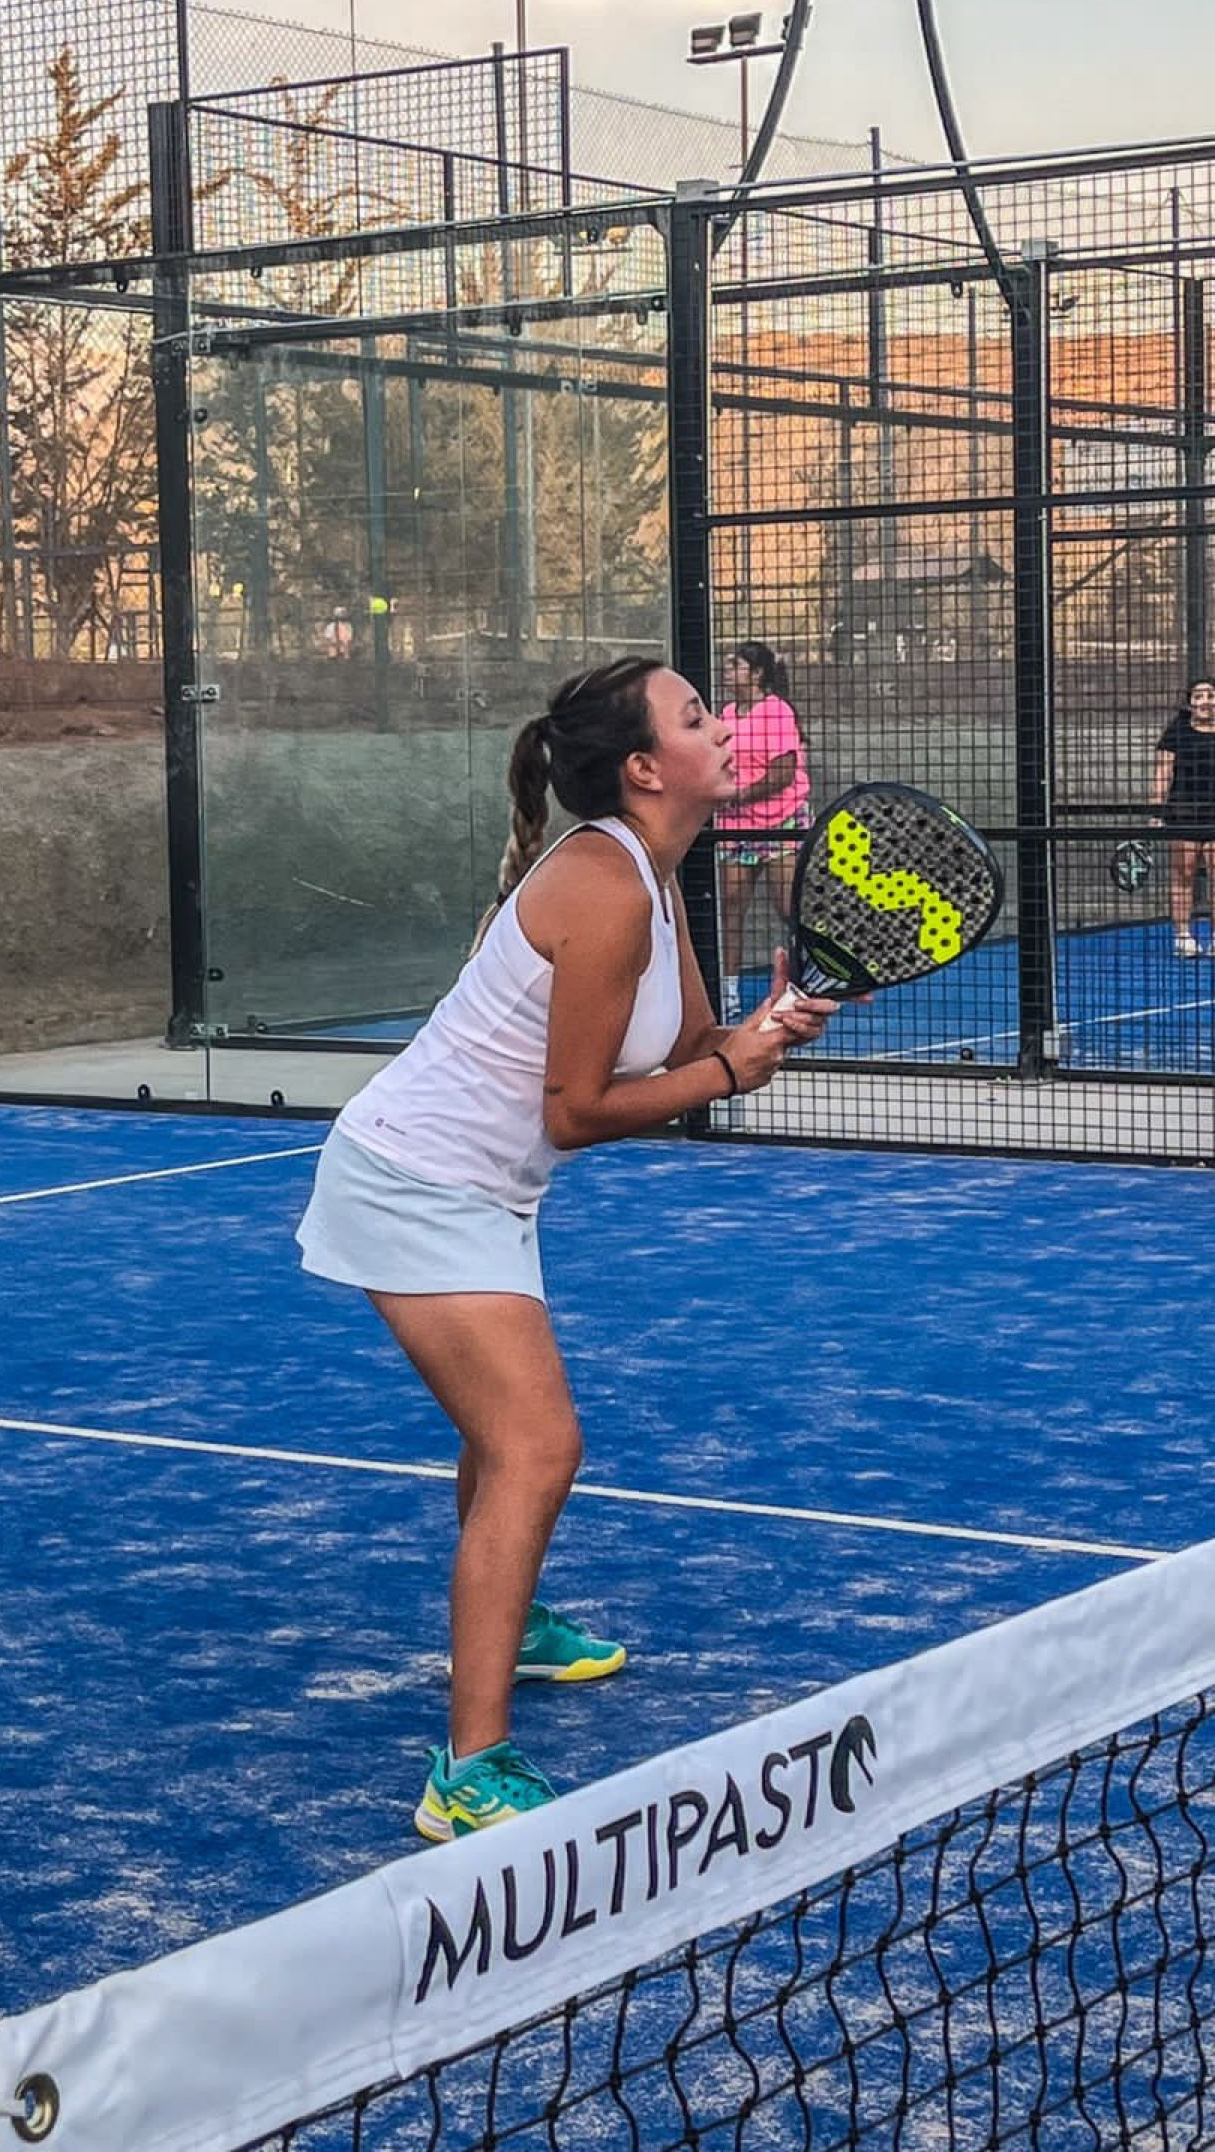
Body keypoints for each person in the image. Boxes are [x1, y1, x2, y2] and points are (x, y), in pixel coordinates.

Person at [294, 656, 835, 1840]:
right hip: (416, 1182)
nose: (722, 728)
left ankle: (512, 1625)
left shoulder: (653, 871)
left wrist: (763, 1032)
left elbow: (686, 1050)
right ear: (644, 767)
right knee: (536, 1447)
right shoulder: (602, 885)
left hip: (484, 1190)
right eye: (696, 717)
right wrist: (732, 1072)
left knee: (504, 1441)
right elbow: (578, 1110)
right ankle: (467, 1772)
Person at [715, 640, 812, 1020]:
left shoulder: (777, 712)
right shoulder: (726, 714)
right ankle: (728, 993)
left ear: (756, 674)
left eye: (735, 665)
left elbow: (784, 773)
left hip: (779, 822)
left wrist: (739, 795)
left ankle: (810, 981)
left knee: (788, 908)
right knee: (731, 907)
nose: (727, 671)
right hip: (736, 828)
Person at [1150, 677, 1215, 958]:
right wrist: (1156, 812)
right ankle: (1183, 937)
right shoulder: (1176, 733)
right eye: (1199, 696)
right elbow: (1163, 774)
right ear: (1190, 702)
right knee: (1184, 875)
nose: (1205, 701)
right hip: (1183, 816)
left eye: (1210, 695)